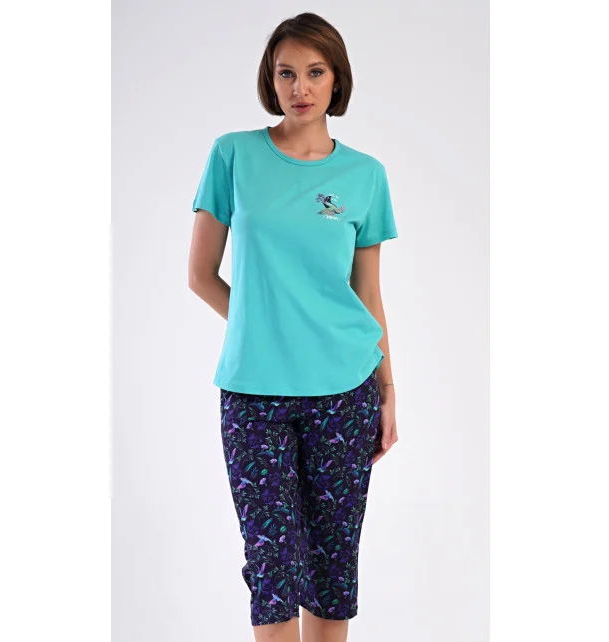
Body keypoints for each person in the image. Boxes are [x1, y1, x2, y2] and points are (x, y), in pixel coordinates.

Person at [188, 12, 399, 642]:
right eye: (286, 73)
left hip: (346, 393)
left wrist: (388, 390)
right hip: (253, 397)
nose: (299, 87)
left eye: (314, 72)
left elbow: (368, 293)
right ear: (270, 80)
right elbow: (200, 275)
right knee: (273, 578)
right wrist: (268, 327)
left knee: (332, 579)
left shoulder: (365, 175)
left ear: (337, 80)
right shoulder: (233, 155)